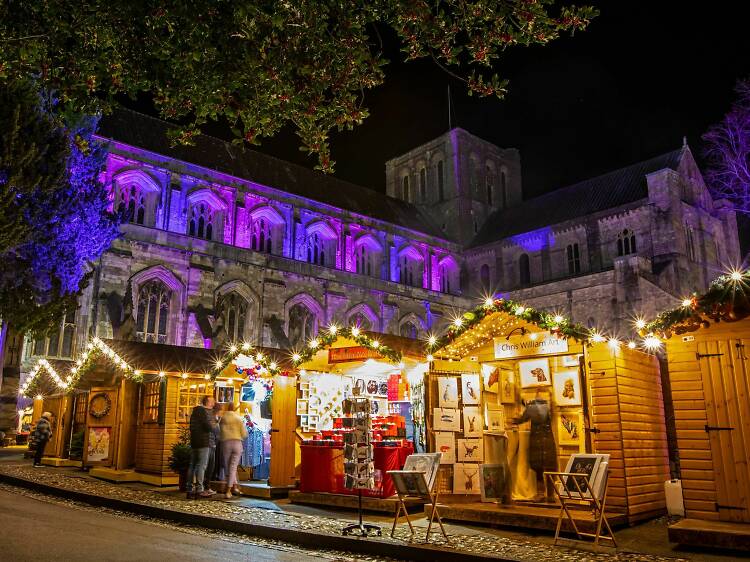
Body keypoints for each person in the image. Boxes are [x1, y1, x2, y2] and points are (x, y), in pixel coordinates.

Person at [186, 395, 216, 499]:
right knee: (202, 466)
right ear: (207, 402)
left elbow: (191, 426)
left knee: (192, 465)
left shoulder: (194, 412)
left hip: (194, 441)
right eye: (212, 400)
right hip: (203, 441)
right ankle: (199, 489)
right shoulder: (203, 412)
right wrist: (213, 427)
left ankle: (189, 489)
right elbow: (207, 426)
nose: (214, 402)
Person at [219, 401, 248, 499]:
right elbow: (244, 433)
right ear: (234, 408)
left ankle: (228, 491)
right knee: (233, 467)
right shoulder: (238, 418)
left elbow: (219, 431)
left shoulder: (223, 418)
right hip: (237, 443)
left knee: (228, 467)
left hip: (226, 443)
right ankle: (234, 487)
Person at [203, 402, 223, 494]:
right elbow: (214, 430)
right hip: (210, 444)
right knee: (208, 466)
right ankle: (205, 487)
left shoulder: (216, 418)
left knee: (211, 466)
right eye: (220, 410)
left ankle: (207, 486)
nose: (221, 412)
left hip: (213, 444)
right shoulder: (212, 419)